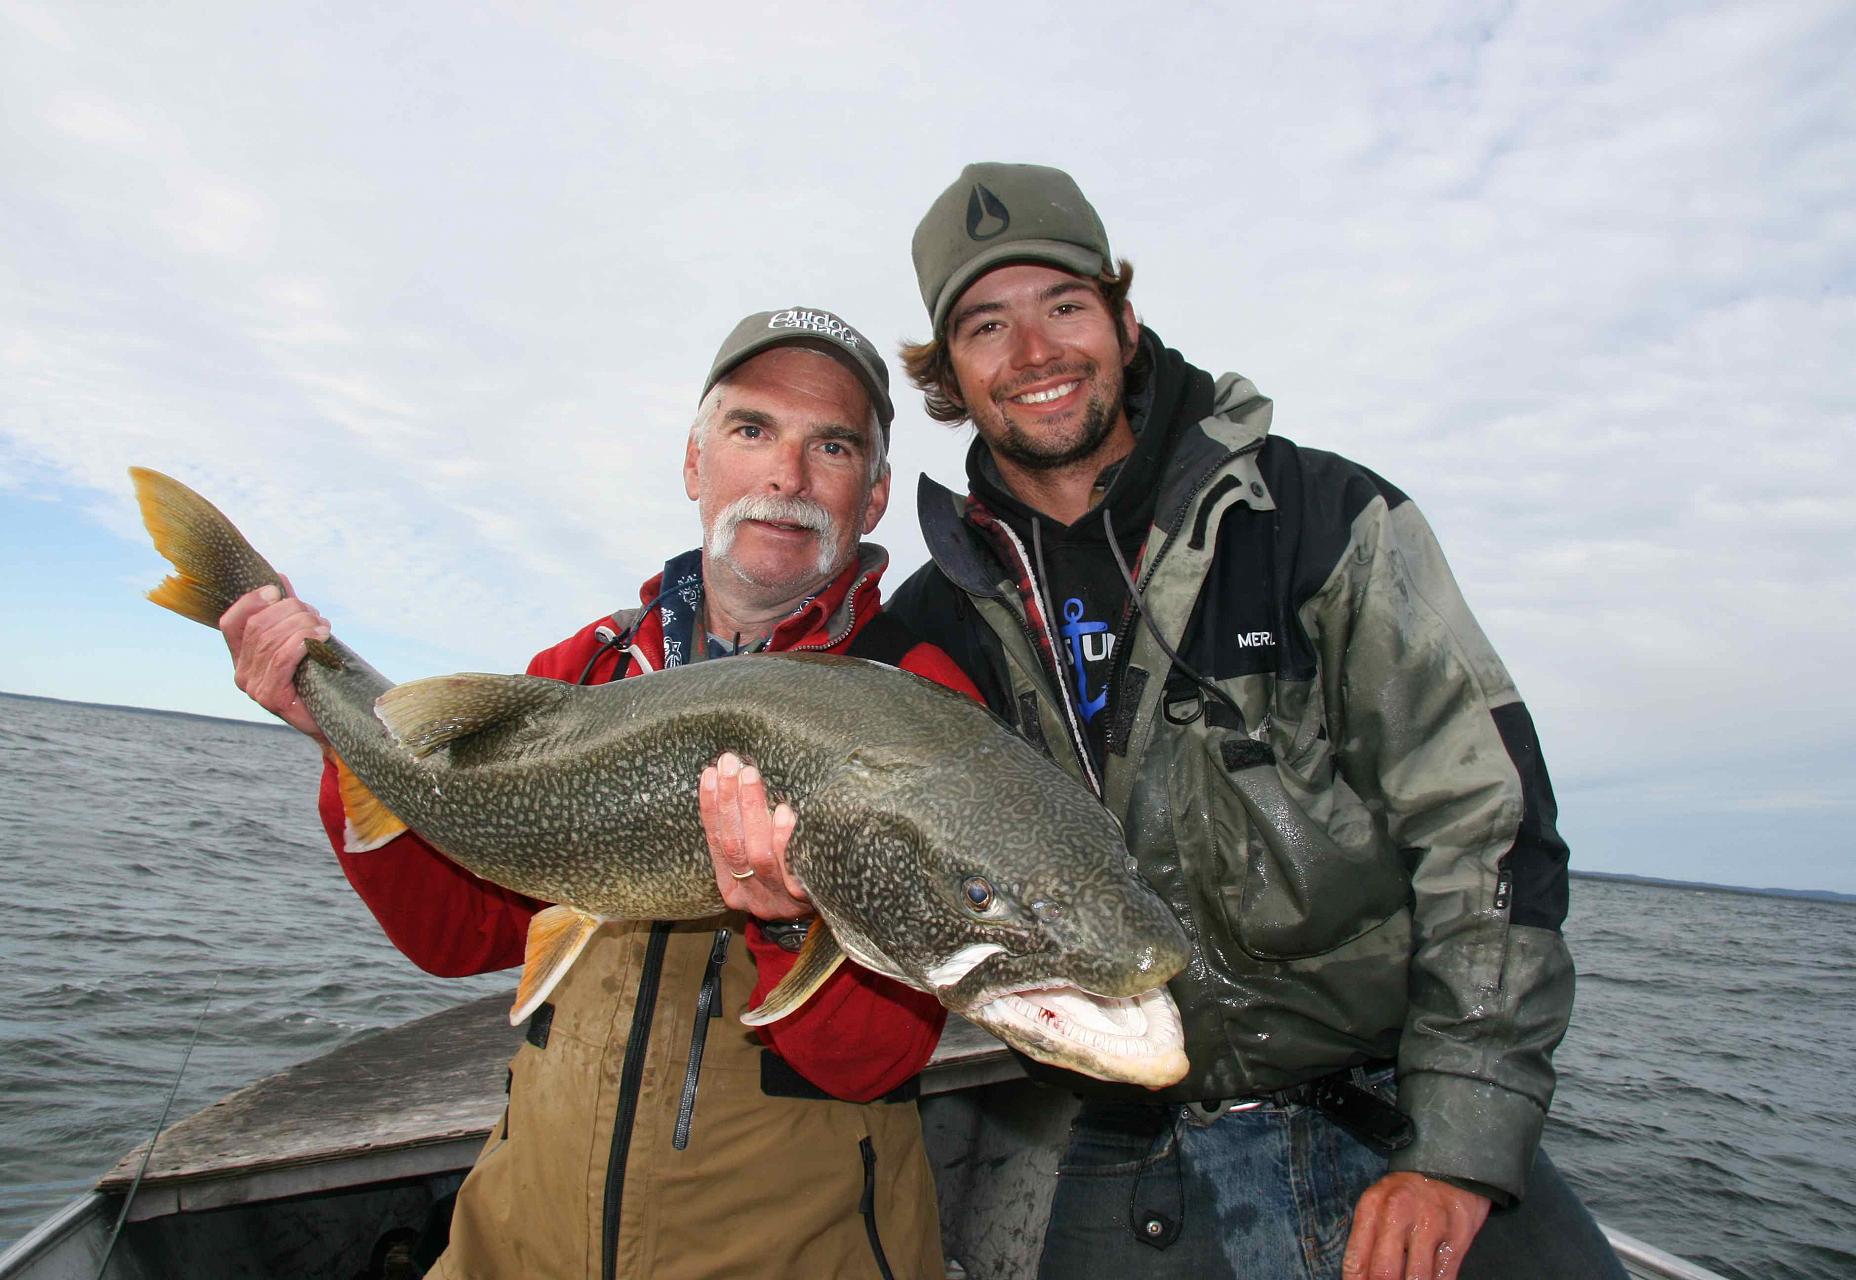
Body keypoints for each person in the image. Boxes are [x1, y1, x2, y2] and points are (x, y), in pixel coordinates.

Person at [882, 164, 1627, 1280]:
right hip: (1134, 1149)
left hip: (1391, 1120)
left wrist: (1461, 1147)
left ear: (1125, 323)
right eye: (988, 324)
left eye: (1066, 307)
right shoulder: (928, 629)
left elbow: (1485, 822)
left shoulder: (1322, 518)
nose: (1034, 352)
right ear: (951, 373)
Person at [219, 306, 977, 1280]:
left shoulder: (916, 706)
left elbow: (877, 1060)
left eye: (830, 443)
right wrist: (343, 737)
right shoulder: (582, 668)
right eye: (752, 430)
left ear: (872, 496)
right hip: (515, 1244)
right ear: (695, 464)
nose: (786, 475)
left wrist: (792, 920)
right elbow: (459, 933)